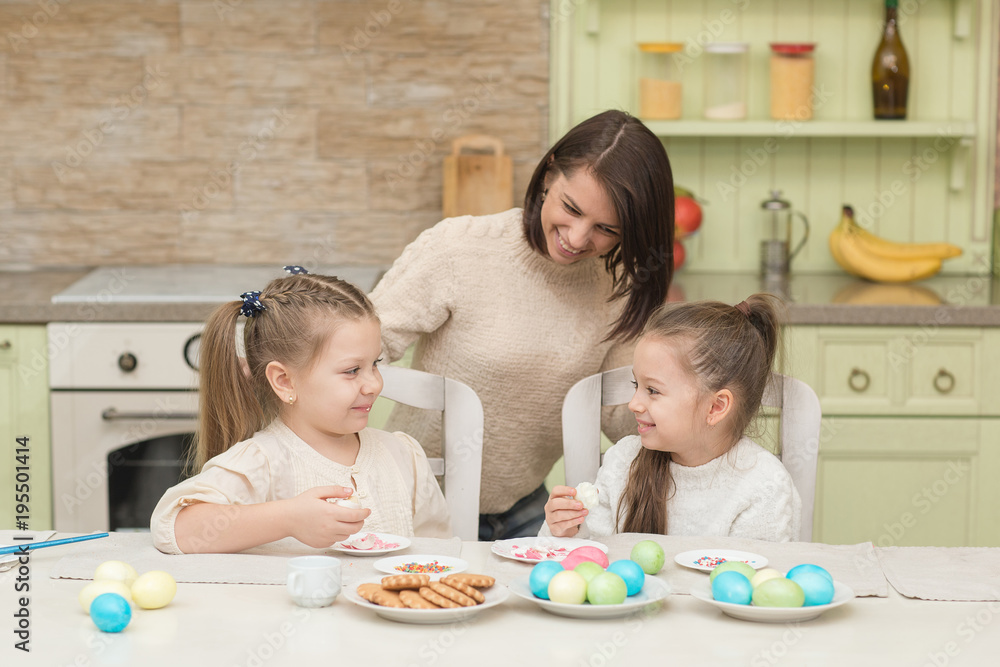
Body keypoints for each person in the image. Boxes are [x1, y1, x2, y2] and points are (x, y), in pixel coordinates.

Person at [370, 110, 676, 540]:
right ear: (549, 171)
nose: (577, 237)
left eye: (606, 229)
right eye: (571, 208)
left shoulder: (619, 292)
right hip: (413, 505)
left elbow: (624, 415)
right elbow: (363, 344)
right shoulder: (459, 249)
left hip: (527, 513)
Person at [151, 270, 451, 555]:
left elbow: (438, 550)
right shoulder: (262, 463)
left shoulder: (403, 457)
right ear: (284, 381)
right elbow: (174, 528)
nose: (373, 384)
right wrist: (288, 518)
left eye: (376, 363)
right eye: (352, 370)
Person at [541, 294, 801, 542]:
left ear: (715, 407)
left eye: (652, 390)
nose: (633, 404)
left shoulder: (764, 486)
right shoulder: (623, 463)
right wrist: (568, 532)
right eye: (636, 385)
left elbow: (759, 581)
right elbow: (591, 554)